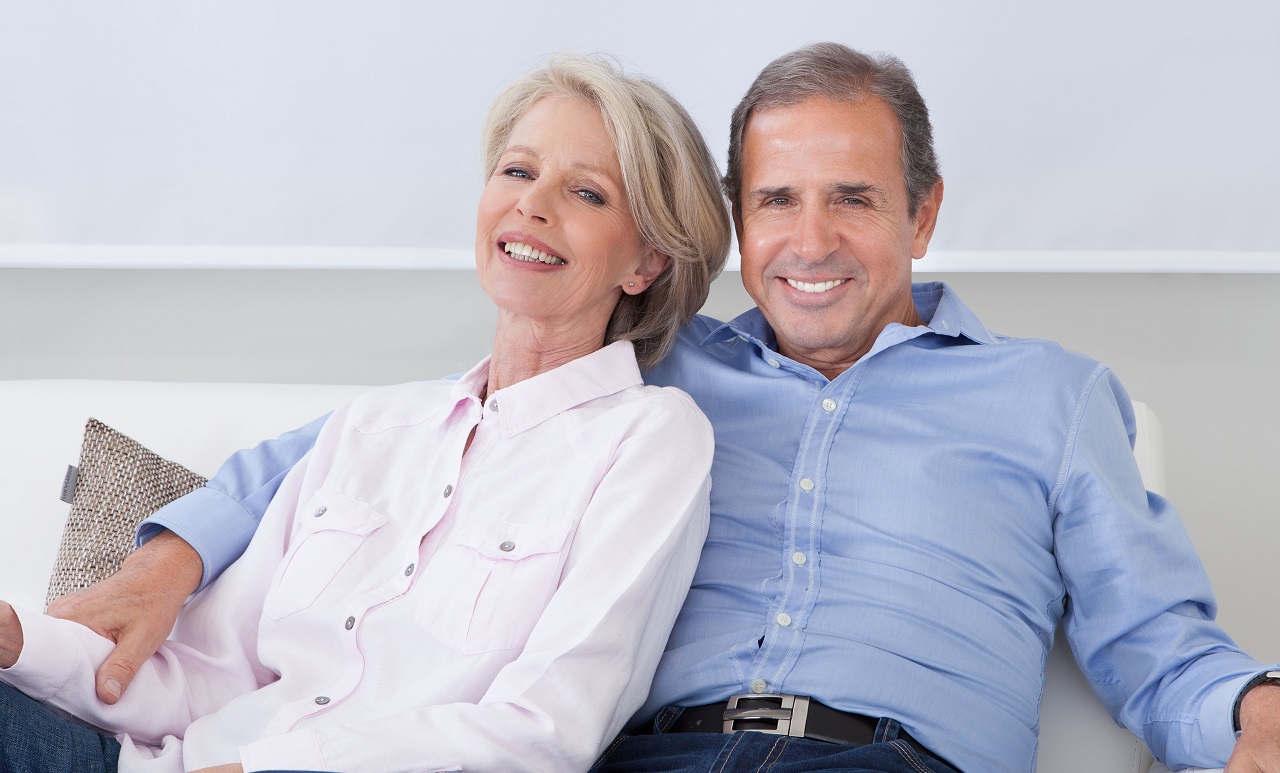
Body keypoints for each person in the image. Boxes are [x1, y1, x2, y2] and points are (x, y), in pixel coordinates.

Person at [29, 42, 1280, 773]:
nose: (809, 241)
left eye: (851, 198)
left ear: (923, 211)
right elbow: (375, 441)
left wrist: (1252, 713)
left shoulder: (1049, 396)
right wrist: (172, 552)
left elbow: (1154, 641)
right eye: (775, 201)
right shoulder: (652, 372)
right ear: (732, 221)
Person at [0, 53, 732, 773]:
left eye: (588, 194)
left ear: (647, 263)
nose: (531, 205)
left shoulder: (650, 438)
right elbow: (211, 677)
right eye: (517, 171)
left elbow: (547, 729)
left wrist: (268, 767)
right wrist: (23, 644)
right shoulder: (374, 424)